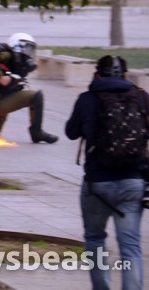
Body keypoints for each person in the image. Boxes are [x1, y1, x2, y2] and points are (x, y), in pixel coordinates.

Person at [66, 55, 147, 290]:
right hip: (133, 182)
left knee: (95, 238)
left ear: (97, 75)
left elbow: (71, 132)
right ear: (125, 75)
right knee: (130, 245)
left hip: (97, 184)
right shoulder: (141, 97)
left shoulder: (87, 99)